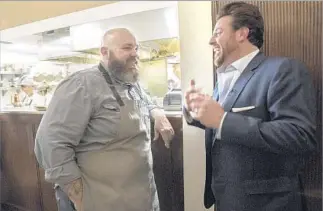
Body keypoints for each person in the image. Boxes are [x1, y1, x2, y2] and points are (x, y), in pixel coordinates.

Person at [183, 2, 317, 211]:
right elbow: (222, 127)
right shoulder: (223, 80)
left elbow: (299, 135)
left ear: (242, 34)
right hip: (226, 199)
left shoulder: (282, 70)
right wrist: (197, 113)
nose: (211, 40)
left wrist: (222, 119)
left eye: (218, 32)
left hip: (268, 204)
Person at [34, 28, 174, 211]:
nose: (135, 54)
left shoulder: (130, 82)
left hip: (143, 198)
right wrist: (78, 196)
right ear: (104, 52)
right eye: (126, 48)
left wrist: (157, 112)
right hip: (101, 202)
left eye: (136, 48)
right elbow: (50, 143)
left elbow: (146, 99)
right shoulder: (81, 85)